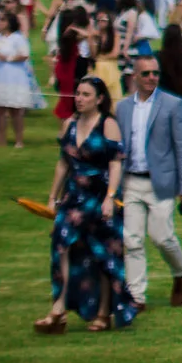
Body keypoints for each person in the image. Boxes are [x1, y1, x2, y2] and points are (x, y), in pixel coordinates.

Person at [37, 74, 134, 333]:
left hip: (101, 197)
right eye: (78, 94)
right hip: (74, 197)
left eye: (85, 95)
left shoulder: (108, 124)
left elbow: (116, 162)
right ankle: (58, 309)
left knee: (103, 254)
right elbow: (63, 162)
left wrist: (111, 197)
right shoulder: (69, 123)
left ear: (99, 99)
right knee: (61, 245)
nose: (79, 99)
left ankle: (104, 314)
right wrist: (52, 197)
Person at [113, 52, 182, 309]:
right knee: (131, 239)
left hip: (161, 182)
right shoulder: (123, 107)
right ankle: (136, 296)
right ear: (135, 76)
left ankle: (181, 272)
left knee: (162, 237)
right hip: (130, 182)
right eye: (146, 73)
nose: (152, 78)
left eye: (155, 73)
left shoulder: (174, 105)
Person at [0, 14, 35, 147]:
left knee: (15, 110)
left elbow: (24, 54)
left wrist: (8, 58)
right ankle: (1, 140)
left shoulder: (18, 38)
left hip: (14, 79)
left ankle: (19, 140)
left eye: (2, 20)